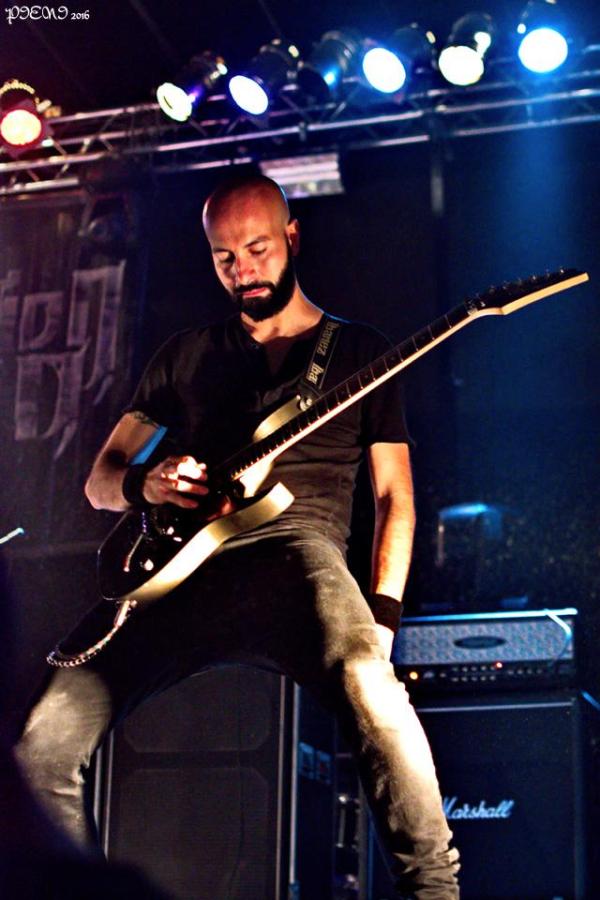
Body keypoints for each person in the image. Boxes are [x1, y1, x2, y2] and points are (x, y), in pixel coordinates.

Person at [14, 174, 460, 898]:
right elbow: (100, 482)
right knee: (42, 735)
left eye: (257, 249)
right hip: (182, 569)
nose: (243, 270)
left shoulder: (359, 352)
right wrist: (150, 482)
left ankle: (435, 891)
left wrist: (382, 618)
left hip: (298, 559)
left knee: (369, 683)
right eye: (225, 257)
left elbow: (394, 500)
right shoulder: (185, 354)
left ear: (292, 237)